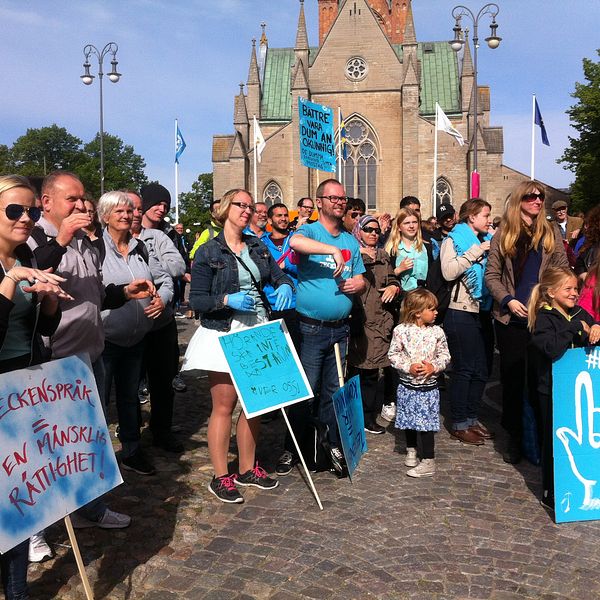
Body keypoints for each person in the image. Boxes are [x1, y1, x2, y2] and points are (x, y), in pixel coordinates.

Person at [30, 171, 153, 530]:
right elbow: (37, 272)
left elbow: (95, 296)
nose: (81, 204)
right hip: (54, 362)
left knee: (87, 438)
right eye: (72, 199)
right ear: (47, 202)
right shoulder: (36, 238)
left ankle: (91, 506)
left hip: (90, 356)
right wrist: (65, 236)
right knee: (48, 444)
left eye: (83, 198)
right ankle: (40, 521)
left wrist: (124, 293)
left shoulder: (87, 243)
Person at [182, 189, 293, 503]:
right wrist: (226, 300)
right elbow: (197, 300)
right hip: (223, 331)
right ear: (225, 208)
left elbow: (277, 275)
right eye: (240, 205)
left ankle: (247, 468)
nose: (247, 210)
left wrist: (285, 285)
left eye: (250, 206)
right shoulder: (208, 251)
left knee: (255, 403)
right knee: (224, 406)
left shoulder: (257, 246)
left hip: (257, 331)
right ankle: (220, 477)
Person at [0, 175, 68, 599]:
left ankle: (17, 588)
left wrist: (49, 299)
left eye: (30, 210)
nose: (26, 218)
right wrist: (9, 284)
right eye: (14, 210)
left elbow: (41, 329)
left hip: (25, 385)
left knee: (20, 494)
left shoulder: (24, 254)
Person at [277, 179, 366, 478]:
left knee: (333, 392)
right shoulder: (310, 232)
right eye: (333, 198)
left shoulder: (351, 242)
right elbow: (295, 244)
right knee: (305, 392)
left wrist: (358, 283)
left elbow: (360, 277)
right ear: (319, 202)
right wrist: (329, 249)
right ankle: (293, 448)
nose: (340, 202)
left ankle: (326, 446)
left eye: (343, 198)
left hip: (340, 329)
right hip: (311, 329)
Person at [485, 181, 568, 464]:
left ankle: (541, 439)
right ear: (520, 200)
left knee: (540, 381)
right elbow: (491, 276)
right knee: (512, 380)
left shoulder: (551, 231)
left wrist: (552, 297)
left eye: (540, 196)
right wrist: (507, 299)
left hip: (542, 316)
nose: (537, 200)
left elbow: (563, 269)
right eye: (531, 196)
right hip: (510, 319)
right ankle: (515, 438)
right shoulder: (503, 234)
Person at [98, 191, 169, 475]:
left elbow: (162, 277)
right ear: (105, 217)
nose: (128, 216)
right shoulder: (95, 249)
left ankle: (131, 450)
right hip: (105, 339)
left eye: (130, 211)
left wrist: (161, 296)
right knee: (100, 400)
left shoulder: (141, 247)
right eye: (120, 212)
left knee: (129, 398)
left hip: (137, 338)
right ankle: (96, 456)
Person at [528, 267, 600, 510]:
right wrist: (572, 327)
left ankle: (581, 487)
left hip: (578, 388)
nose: (574, 293)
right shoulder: (544, 318)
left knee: (580, 437)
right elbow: (550, 348)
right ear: (551, 292)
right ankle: (551, 489)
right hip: (551, 389)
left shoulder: (580, 312)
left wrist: (597, 327)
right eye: (568, 289)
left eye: (576, 289)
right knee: (554, 441)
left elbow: (591, 333)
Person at [129, 187, 186, 451]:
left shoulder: (161, 236)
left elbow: (178, 267)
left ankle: (161, 430)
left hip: (161, 322)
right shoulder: (106, 240)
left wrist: (153, 266)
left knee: (163, 380)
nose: (136, 213)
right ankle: (130, 434)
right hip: (128, 325)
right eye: (133, 209)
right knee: (129, 383)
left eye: (139, 209)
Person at [440, 198, 495, 445]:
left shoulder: (485, 241)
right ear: (471, 217)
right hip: (460, 310)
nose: (489, 220)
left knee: (482, 369)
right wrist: (477, 252)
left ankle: (472, 418)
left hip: (483, 310)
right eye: (485, 215)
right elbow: (448, 271)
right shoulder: (454, 240)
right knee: (464, 369)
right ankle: (459, 422)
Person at [388, 289, 451, 478]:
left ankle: (429, 460)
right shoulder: (400, 331)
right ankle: (411, 449)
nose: (436, 312)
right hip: (407, 385)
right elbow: (393, 355)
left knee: (426, 423)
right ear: (417, 312)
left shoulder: (437, 332)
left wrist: (434, 367)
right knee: (408, 419)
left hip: (428, 387)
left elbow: (445, 355)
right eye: (431, 309)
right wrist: (408, 366)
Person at [347, 215, 399, 435]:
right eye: (368, 229)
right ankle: (352, 414)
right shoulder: (349, 253)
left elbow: (392, 278)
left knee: (370, 372)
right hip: (356, 318)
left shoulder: (383, 255)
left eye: (376, 230)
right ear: (359, 231)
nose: (373, 233)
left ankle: (367, 417)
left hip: (378, 320)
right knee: (354, 371)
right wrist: (356, 254)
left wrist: (394, 287)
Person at [261, 203, 299, 346]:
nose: (283, 218)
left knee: (296, 349)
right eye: (279, 216)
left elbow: (307, 268)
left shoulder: (297, 240)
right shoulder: (261, 243)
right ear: (270, 220)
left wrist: (287, 265)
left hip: (295, 304)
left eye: (285, 215)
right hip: (271, 304)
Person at [385, 208, 430, 293]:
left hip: (422, 298)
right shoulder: (391, 250)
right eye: (406, 223)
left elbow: (432, 277)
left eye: (415, 222)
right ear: (399, 227)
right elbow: (384, 278)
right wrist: (399, 269)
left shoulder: (427, 247)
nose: (411, 226)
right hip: (401, 299)